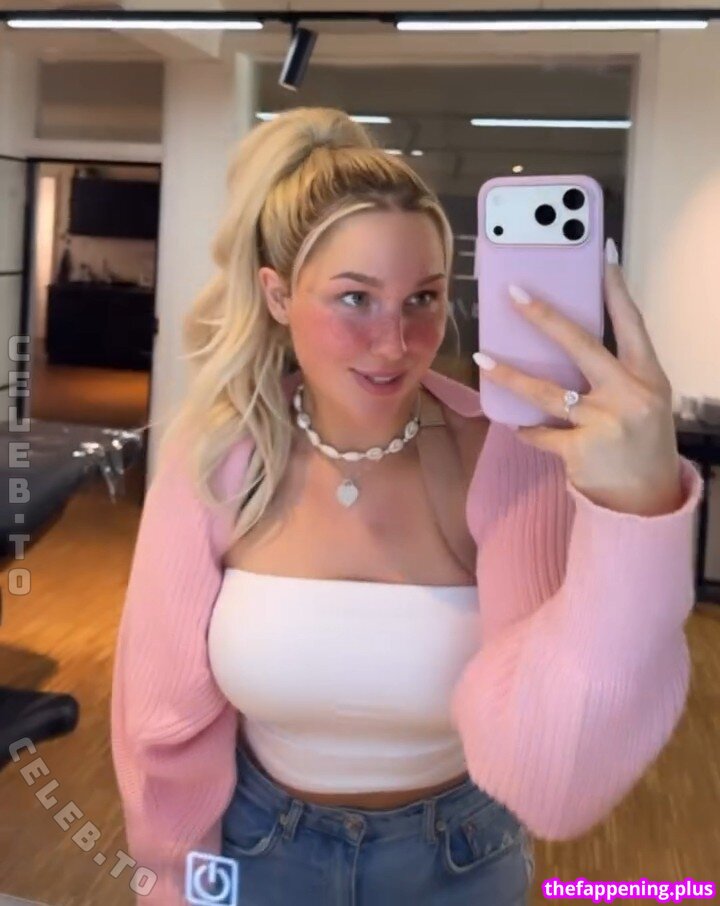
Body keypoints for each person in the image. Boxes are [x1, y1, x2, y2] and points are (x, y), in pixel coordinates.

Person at [110, 106, 703, 905]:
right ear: (278, 295)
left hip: (458, 863)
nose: (395, 342)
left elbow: (559, 777)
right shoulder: (217, 457)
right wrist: (170, 877)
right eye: (355, 299)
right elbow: (158, 715)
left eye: (422, 298)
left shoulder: (505, 456)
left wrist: (636, 510)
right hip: (256, 852)